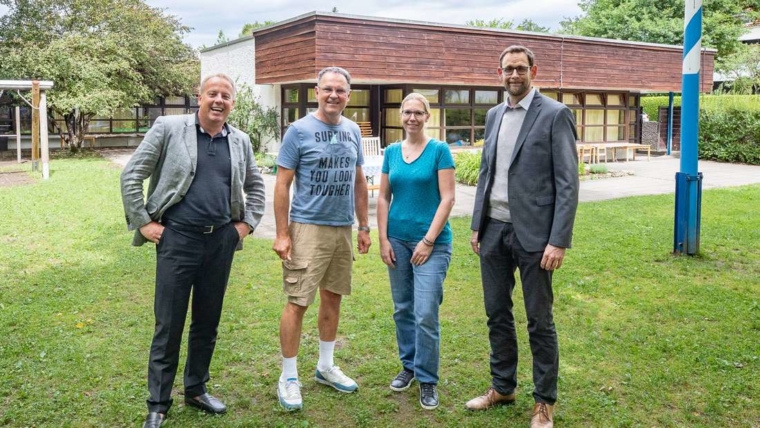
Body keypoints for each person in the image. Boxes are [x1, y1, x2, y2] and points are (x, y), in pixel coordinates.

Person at [120, 73, 265, 428]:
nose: (219, 100)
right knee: (168, 323)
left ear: (233, 103)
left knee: (207, 321)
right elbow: (131, 174)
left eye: (226, 96)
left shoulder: (240, 140)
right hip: (177, 240)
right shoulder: (169, 128)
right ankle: (158, 403)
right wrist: (144, 222)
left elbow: (256, 185)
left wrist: (245, 225)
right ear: (199, 97)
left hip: (220, 242)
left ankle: (196, 389)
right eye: (212, 93)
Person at [467, 45, 579, 428]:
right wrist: (477, 224)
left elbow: (568, 183)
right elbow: (487, 171)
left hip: (536, 236)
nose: (514, 75)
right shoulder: (494, 115)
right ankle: (503, 387)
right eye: (508, 69)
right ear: (498, 73)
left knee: (539, 320)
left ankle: (544, 402)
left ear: (534, 70)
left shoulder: (555, 114)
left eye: (520, 68)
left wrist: (558, 240)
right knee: (496, 312)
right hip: (494, 230)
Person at [272, 66, 371, 411]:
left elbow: (359, 181)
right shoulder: (298, 131)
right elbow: (282, 184)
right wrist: (282, 234)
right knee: (298, 301)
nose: (333, 95)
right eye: (327, 89)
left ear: (348, 95)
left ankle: (325, 366)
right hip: (307, 228)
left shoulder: (352, 130)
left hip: (342, 227)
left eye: (340, 90)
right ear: (317, 92)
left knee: (333, 297)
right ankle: (288, 377)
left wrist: (364, 226)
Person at [377, 93, 455, 410]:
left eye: (418, 113)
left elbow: (448, 198)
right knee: (402, 309)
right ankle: (409, 366)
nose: (412, 117)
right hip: (396, 239)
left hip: (432, 244)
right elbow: (383, 197)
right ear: (401, 115)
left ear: (427, 116)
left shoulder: (439, 150)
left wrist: (428, 240)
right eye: (407, 112)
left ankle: (427, 378)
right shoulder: (391, 152)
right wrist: (383, 239)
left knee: (425, 313)